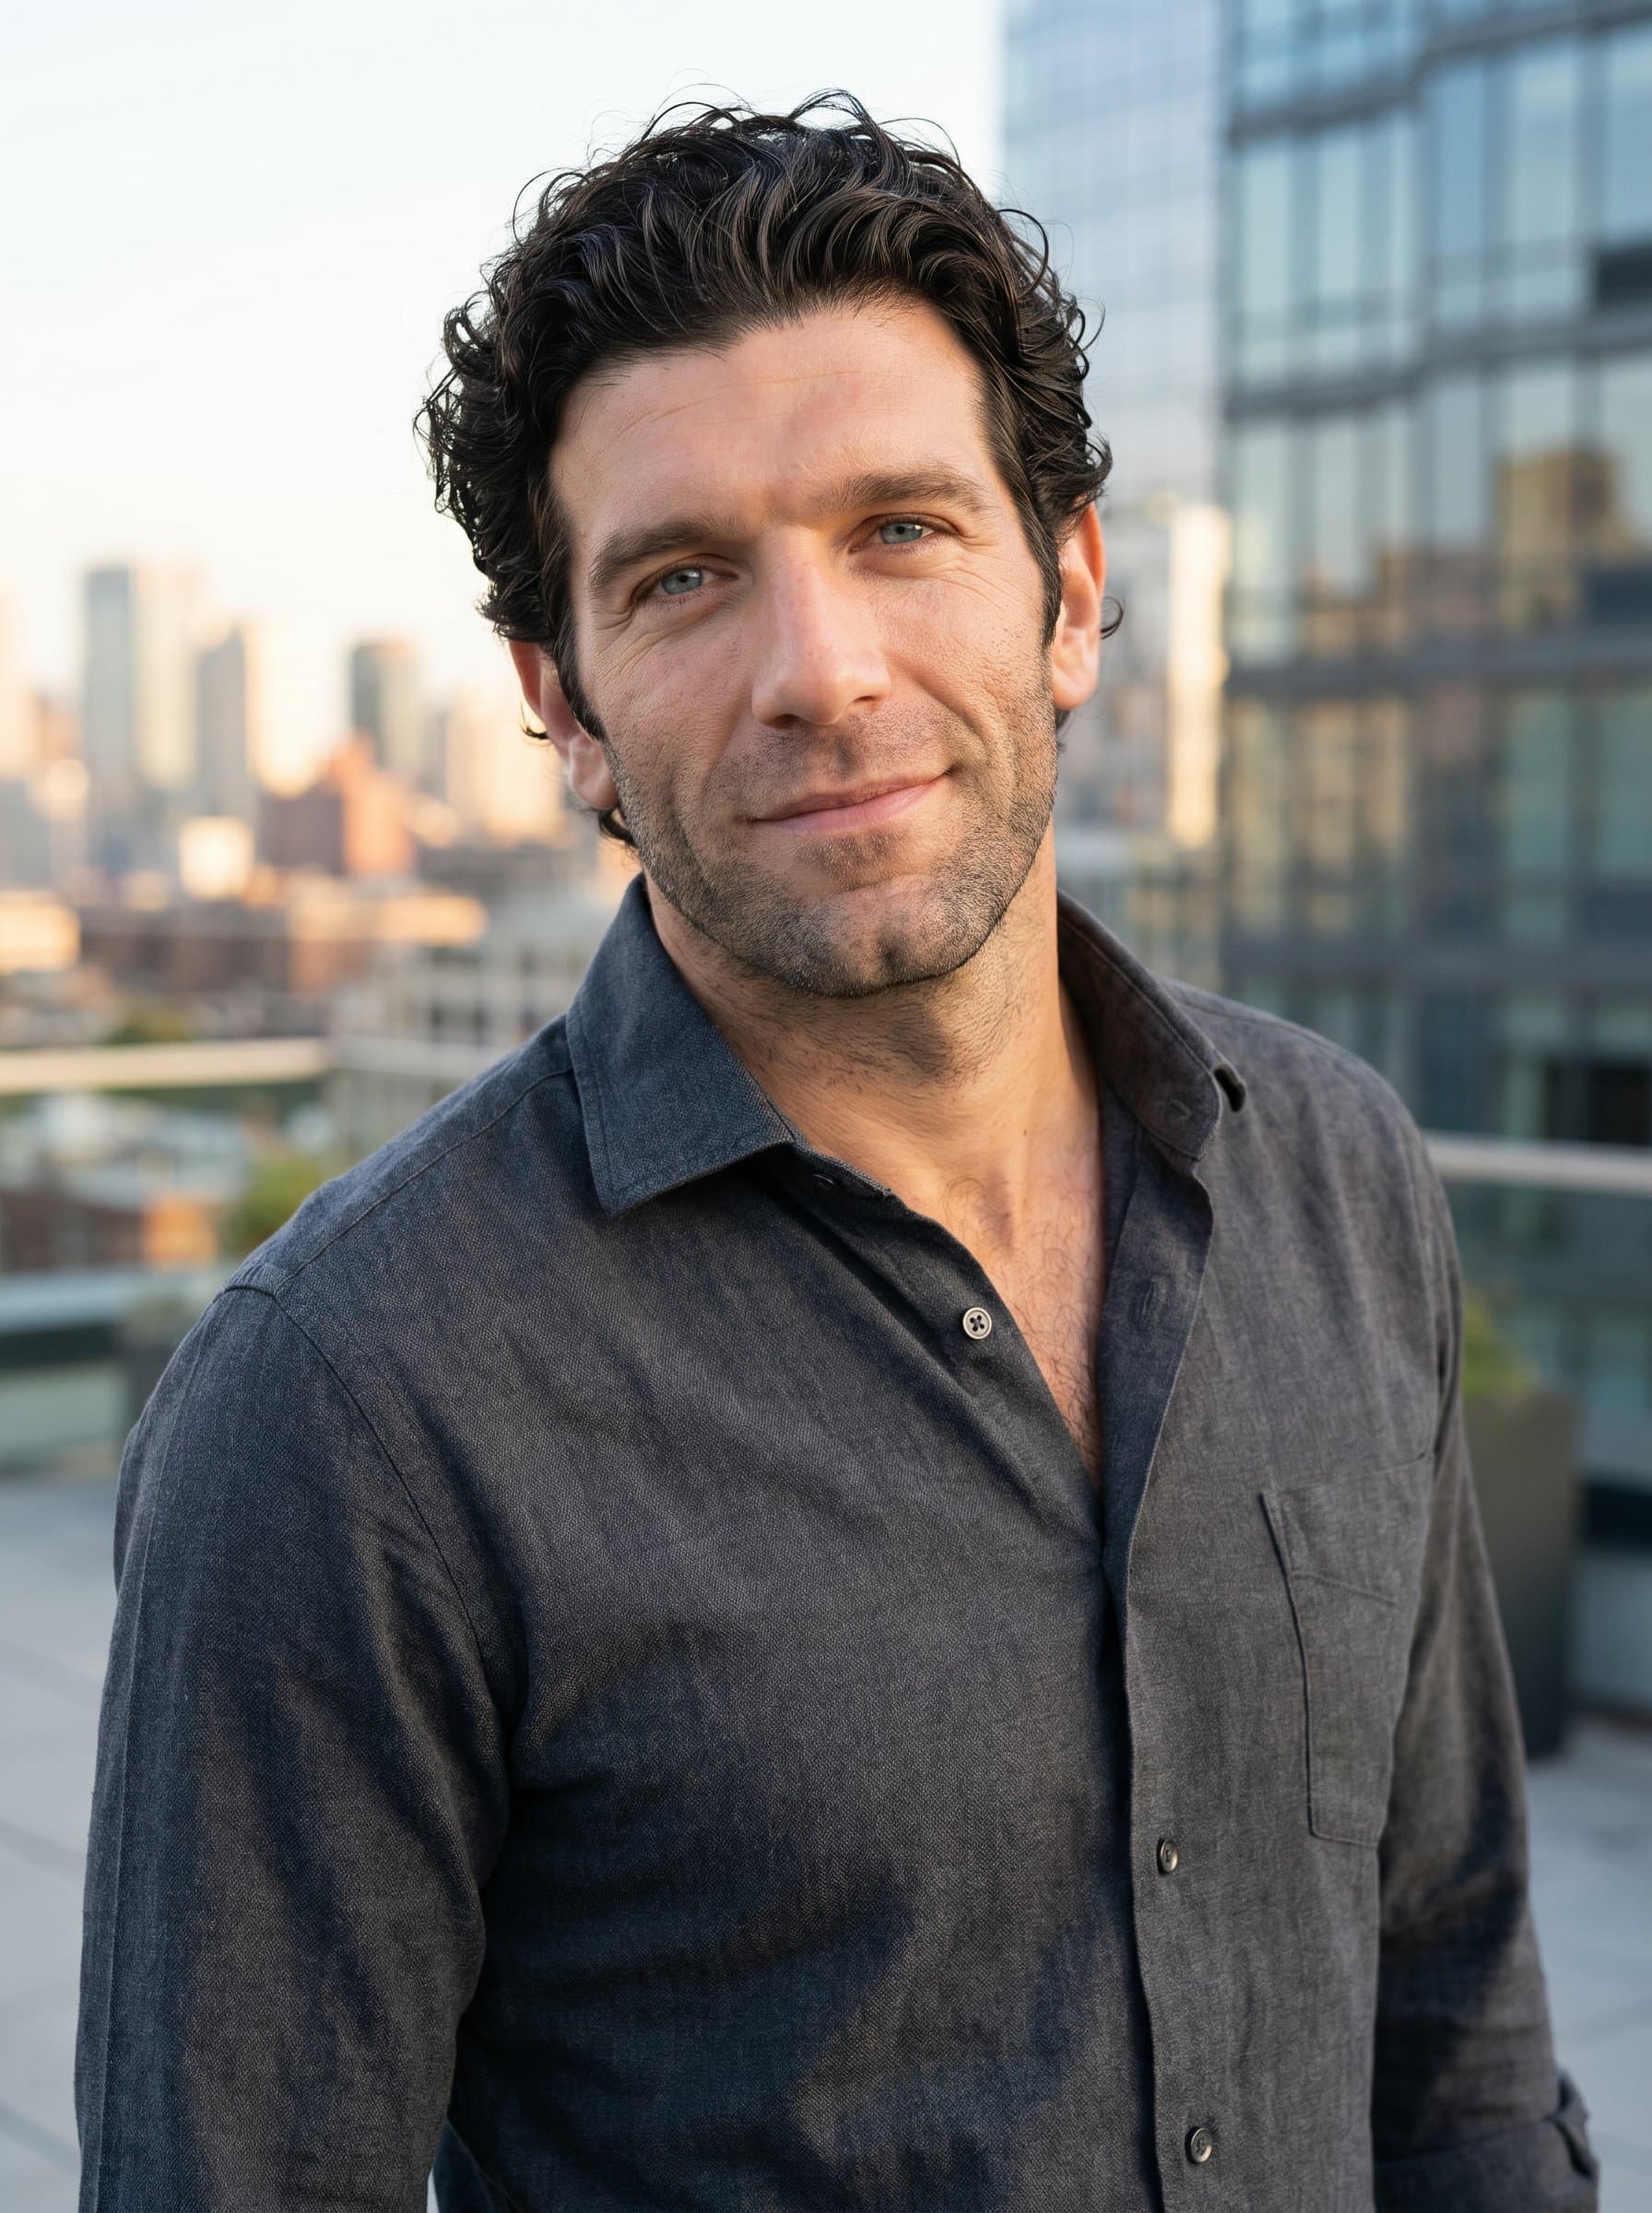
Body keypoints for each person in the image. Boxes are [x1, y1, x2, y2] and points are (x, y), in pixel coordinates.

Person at [76, 93, 1598, 2213]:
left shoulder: (1332, 1173)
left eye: (900, 528)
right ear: (563, 704)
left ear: (1068, 591)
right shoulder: (347, 1406)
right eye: (684, 578)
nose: (818, 671)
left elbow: (1445, 2019)